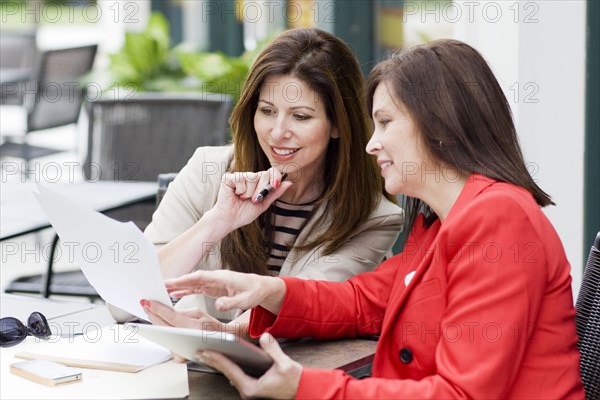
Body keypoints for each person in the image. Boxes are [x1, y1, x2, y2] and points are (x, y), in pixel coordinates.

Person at [142, 39, 585, 399]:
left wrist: (304, 387)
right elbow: (361, 302)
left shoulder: (499, 219)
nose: (372, 144)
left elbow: (462, 395)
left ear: (441, 127)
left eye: (386, 122)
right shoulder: (439, 224)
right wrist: (268, 291)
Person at [112, 28, 404, 328]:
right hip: (185, 363)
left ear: (338, 125)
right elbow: (123, 303)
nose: (278, 132)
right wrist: (217, 221)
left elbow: (306, 304)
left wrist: (223, 333)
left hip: (295, 368)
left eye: (300, 116)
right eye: (267, 111)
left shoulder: (374, 219)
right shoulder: (206, 170)